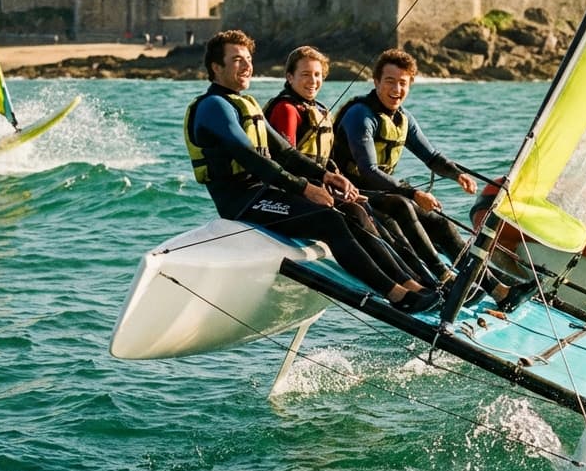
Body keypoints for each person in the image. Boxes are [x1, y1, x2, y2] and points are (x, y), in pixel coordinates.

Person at [184, 30, 438, 313]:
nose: (246, 66)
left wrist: (326, 177)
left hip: (264, 192)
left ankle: (411, 284)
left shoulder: (246, 104)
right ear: (216, 68)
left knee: (352, 211)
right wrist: (304, 188)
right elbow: (252, 159)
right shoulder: (213, 107)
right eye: (236, 60)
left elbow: (285, 153)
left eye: (248, 59)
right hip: (241, 201)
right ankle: (395, 294)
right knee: (327, 220)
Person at [264, 46, 434, 289]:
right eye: (305, 75)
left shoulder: (318, 109)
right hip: (295, 192)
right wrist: (316, 189)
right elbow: (287, 160)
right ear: (289, 77)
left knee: (368, 210)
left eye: (318, 75)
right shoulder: (286, 110)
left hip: (319, 186)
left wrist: (345, 184)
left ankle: (414, 279)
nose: (313, 81)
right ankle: (401, 284)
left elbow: (326, 160)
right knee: (357, 214)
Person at [332, 48, 477, 284]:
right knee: (401, 206)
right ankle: (440, 277)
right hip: (353, 192)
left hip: (384, 191)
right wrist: (414, 193)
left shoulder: (402, 118)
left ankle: (489, 283)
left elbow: (431, 157)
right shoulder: (360, 115)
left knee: (440, 221)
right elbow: (368, 171)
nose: (397, 90)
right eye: (390, 82)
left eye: (403, 83)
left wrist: (458, 175)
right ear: (376, 81)